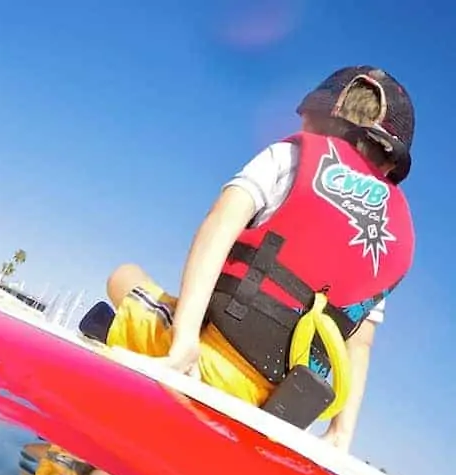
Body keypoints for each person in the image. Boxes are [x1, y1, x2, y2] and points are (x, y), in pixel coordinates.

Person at [90, 67, 416, 452]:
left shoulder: (291, 156)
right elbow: (359, 343)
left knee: (123, 276)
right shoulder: (394, 232)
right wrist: (340, 435)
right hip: (275, 407)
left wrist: (185, 342)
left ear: (328, 114)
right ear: (391, 161)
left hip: (210, 359)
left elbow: (219, 226)